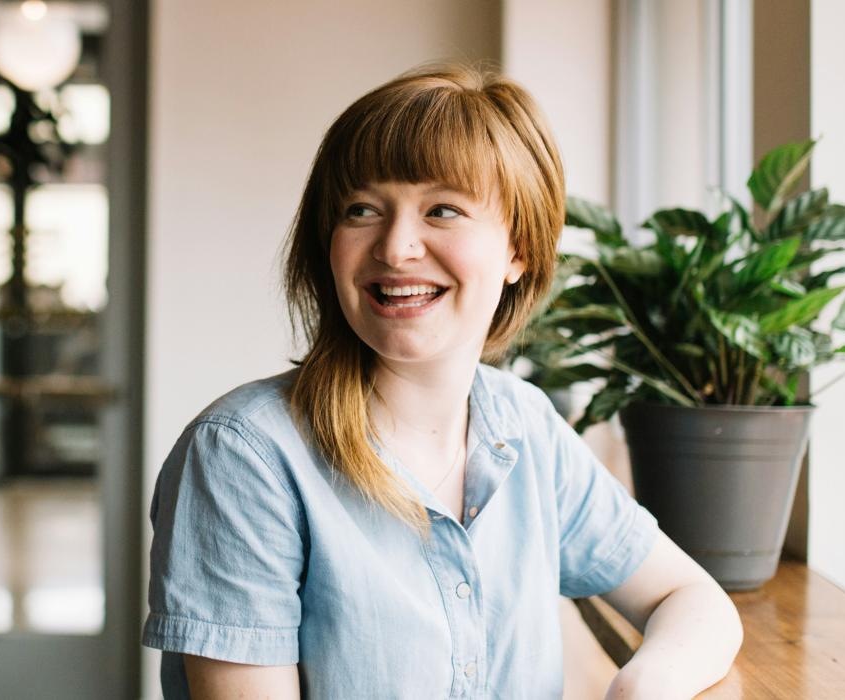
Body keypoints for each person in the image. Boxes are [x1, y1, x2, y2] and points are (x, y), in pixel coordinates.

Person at [141, 64, 742, 699]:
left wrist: (644, 685)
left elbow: (690, 597)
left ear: (519, 250)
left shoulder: (524, 423)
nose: (396, 247)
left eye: (444, 209)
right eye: (362, 209)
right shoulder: (244, 454)